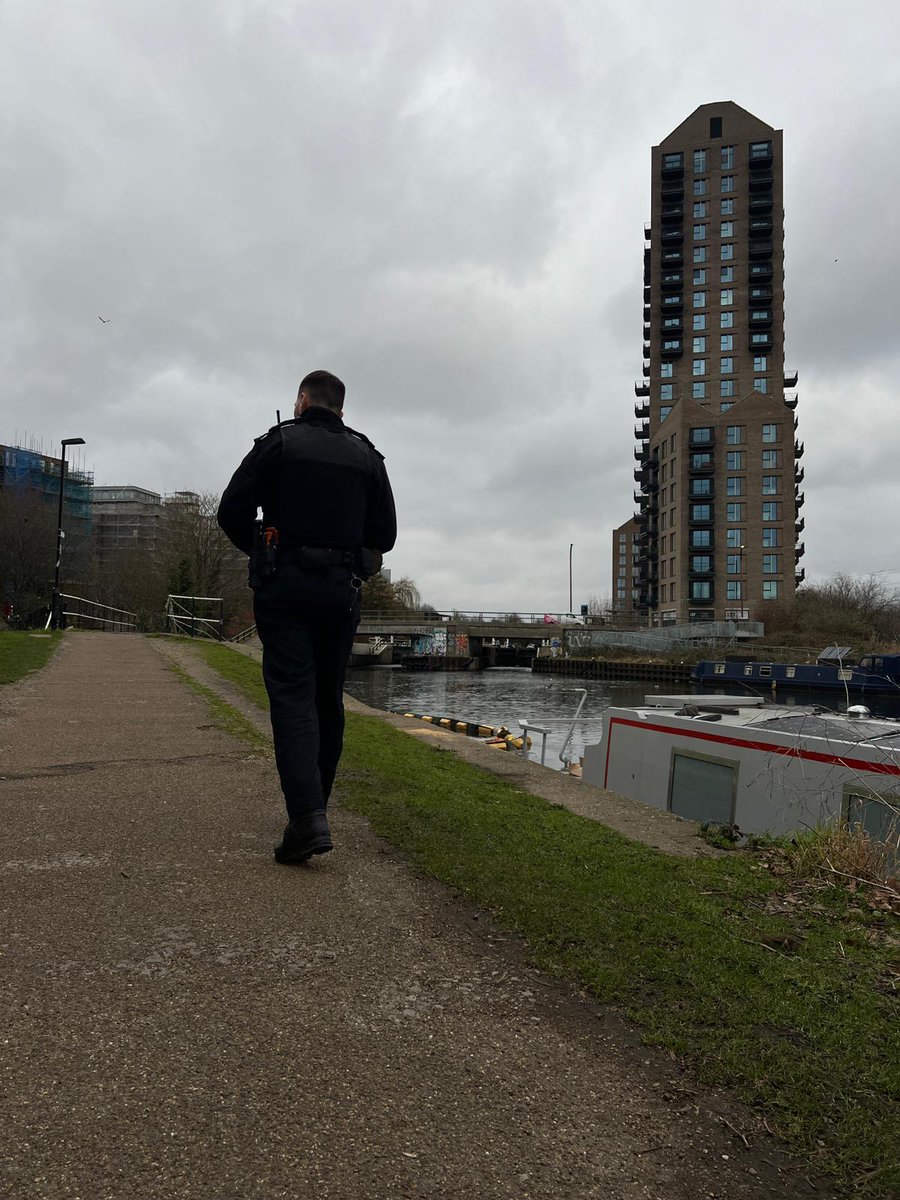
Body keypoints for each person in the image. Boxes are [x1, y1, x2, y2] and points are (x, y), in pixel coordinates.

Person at [217, 370, 397, 865]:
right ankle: (314, 808)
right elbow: (386, 532)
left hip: (284, 586)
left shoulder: (278, 445)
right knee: (326, 700)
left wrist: (258, 546)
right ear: (341, 408)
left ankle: (307, 819)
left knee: (292, 698)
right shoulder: (367, 456)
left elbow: (231, 509)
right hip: (341, 592)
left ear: (302, 400)